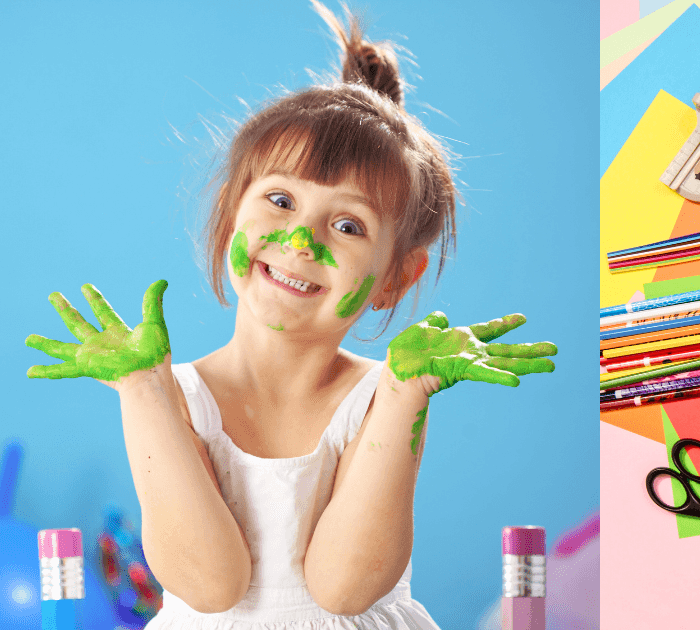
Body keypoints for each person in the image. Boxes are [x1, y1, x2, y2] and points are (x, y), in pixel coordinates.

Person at [22, 2, 557, 628]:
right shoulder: (173, 393)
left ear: (395, 278)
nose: (302, 240)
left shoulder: (382, 394)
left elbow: (345, 588)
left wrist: (408, 394)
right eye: (281, 199)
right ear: (230, 212)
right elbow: (209, 584)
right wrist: (144, 391)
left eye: (348, 224)